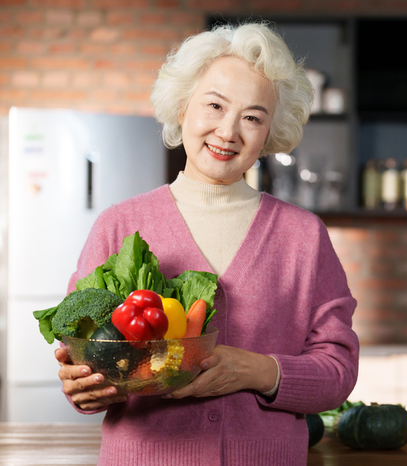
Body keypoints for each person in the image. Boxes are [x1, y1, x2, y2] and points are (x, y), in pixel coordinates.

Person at [54, 22, 359, 465]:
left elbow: (338, 371)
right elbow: (81, 356)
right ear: (183, 108)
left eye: (253, 117)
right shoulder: (119, 224)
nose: (229, 131)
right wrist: (82, 388)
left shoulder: (303, 236)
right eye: (215, 105)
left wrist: (257, 371)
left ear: (271, 132)